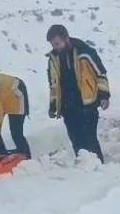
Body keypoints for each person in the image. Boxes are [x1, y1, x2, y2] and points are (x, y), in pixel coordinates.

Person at [46, 25, 109, 162]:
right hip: (67, 108)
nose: (55, 47)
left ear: (66, 38)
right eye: (53, 44)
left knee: (89, 140)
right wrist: (53, 105)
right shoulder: (53, 60)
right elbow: (53, 85)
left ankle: (99, 168)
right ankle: (84, 168)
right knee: (76, 141)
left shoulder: (84, 52)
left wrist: (104, 96)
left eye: (57, 43)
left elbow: (100, 74)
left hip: (87, 104)